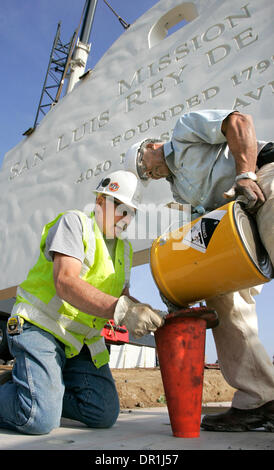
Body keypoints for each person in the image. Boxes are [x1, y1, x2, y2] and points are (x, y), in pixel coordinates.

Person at [124, 109, 274, 432]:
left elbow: (240, 122)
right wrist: (183, 284)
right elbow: (201, 234)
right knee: (221, 300)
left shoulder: (185, 131)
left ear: (150, 148)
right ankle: (261, 398)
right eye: (146, 177)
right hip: (237, 221)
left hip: (264, 180)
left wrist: (245, 174)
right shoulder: (179, 191)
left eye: (144, 169)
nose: (150, 176)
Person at [0, 170, 165, 435]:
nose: (126, 217)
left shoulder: (125, 250)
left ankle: (35, 386)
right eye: (120, 207)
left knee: (103, 413)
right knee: (38, 419)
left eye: (131, 212)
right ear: (100, 202)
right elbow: (65, 281)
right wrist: (122, 310)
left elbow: (122, 296)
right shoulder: (74, 223)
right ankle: (34, 394)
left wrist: (144, 309)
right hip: (39, 327)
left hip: (77, 342)